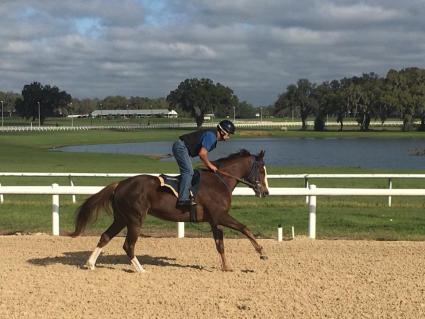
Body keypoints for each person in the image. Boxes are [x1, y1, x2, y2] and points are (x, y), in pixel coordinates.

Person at [172, 119, 236, 210]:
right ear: (222, 132)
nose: (229, 137)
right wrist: (209, 165)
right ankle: (183, 200)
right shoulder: (211, 136)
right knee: (188, 172)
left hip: (182, 147)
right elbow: (202, 154)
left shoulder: (212, 137)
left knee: (191, 172)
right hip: (181, 147)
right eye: (229, 134)